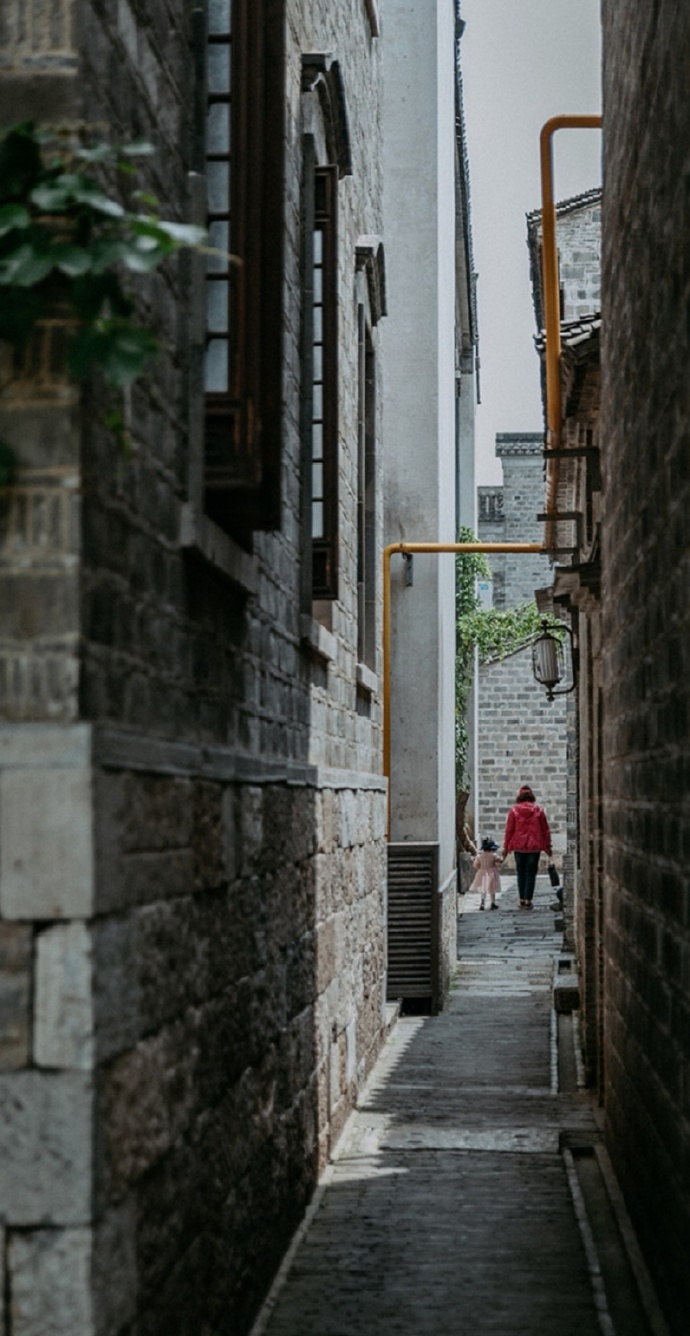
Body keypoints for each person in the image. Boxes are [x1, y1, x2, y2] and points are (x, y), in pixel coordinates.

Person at [501, 785, 552, 909]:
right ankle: (528, 899)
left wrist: (506, 847)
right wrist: (547, 847)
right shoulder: (539, 811)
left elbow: (509, 830)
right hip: (534, 847)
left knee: (521, 873)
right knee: (531, 873)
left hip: (519, 846)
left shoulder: (514, 811)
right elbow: (545, 830)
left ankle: (522, 899)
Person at [470, 837, 502, 911]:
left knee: (483, 889)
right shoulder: (493, 855)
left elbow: (475, 865)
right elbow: (499, 860)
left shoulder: (479, 856)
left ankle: (482, 903)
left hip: (482, 873)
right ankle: (492, 903)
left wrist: (480, 868)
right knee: (492, 889)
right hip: (492, 874)